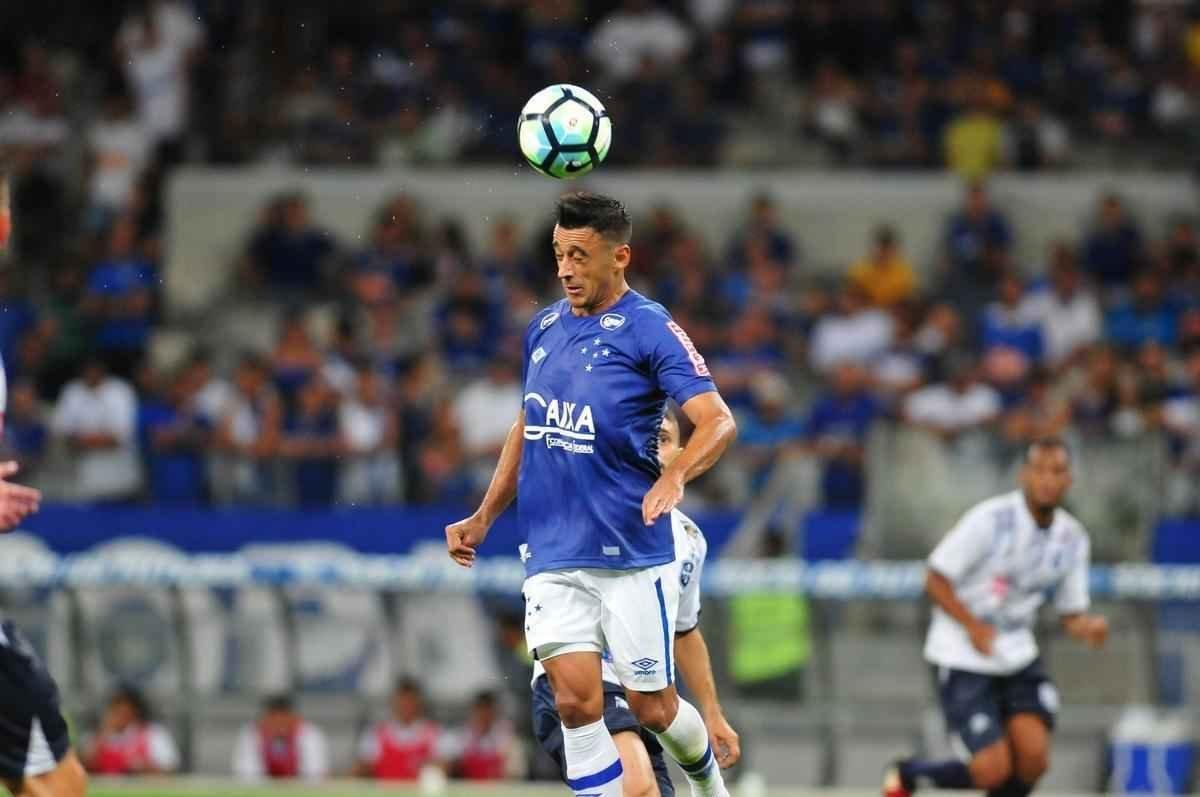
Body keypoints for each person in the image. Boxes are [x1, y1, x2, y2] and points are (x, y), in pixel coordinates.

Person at [446, 192, 738, 797]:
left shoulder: (650, 328)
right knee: (576, 704)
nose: (565, 269)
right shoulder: (544, 328)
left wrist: (675, 475)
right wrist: (484, 515)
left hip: (628, 551)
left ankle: (711, 788)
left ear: (619, 256)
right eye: (559, 254)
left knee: (654, 708)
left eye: (579, 255)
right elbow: (528, 425)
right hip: (552, 547)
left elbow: (717, 421)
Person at [884, 438, 1109, 797]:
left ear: (1069, 479)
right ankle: (909, 774)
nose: (1047, 480)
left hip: (1017, 653)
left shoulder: (1072, 538)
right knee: (992, 769)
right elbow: (935, 578)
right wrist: (973, 626)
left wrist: (1087, 627)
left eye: (1057, 471)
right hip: (964, 655)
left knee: (1034, 759)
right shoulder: (990, 520)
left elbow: (1071, 613)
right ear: (1024, 475)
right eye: (1039, 470)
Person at [531, 411, 741, 796]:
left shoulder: (690, 539)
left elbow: (684, 631)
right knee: (638, 787)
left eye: (662, 439)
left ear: (681, 453)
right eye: (642, 436)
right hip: (587, 681)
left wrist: (712, 714)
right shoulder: (585, 509)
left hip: (647, 693)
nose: (651, 448)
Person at [354, 678, 443, 781]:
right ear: (394, 702)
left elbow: (444, 767)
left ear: (419, 703)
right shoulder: (375, 735)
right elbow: (362, 769)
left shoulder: (435, 734)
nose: (406, 706)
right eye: (402, 701)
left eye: (410, 701)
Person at [83, 686, 180, 775]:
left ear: (136, 713)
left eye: (126, 713)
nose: (121, 718)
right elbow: (85, 767)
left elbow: (170, 768)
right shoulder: (97, 736)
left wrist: (144, 767)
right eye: (117, 712)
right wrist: (101, 736)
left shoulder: (153, 734)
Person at [232, 694, 329, 782]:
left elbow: (315, 773)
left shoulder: (309, 734)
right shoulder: (252, 733)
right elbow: (246, 775)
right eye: (273, 717)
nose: (278, 723)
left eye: (283, 717)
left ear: (293, 717)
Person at [443, 691, 514, 782]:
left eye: (488, 711)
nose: (484, 715)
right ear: (475, 711)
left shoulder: (504, 734)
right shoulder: (463, 735)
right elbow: (448, 763)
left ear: (494, 712)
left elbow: (511, 769)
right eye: (481, 710)